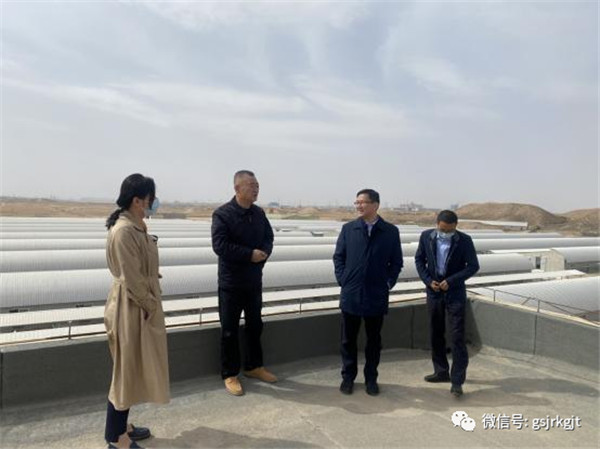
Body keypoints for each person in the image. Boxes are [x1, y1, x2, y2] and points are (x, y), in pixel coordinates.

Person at [104, 173, 170, 449]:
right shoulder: (124, 232)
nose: (153, 203)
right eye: (150, 199)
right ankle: (116, 438)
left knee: (132, 370)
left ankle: (122, 426)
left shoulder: (137, 226)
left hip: (139, 305)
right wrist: (150, 306)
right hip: (132, 307)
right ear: (137, 201)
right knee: (126, 372)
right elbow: (132, 278)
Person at [211, 170, 277, 396]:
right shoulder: (222, 214)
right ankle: (230, 373)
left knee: (255, 325)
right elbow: (220, 246)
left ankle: (253, 366)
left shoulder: (258, 213)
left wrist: (264, 253)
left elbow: (269, 237)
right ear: (237, 188)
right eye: (251, 185)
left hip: (253, 281)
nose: (256, 189)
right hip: (231, 283)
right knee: (229, 330)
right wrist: (250, 255)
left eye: (257, 185)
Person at [333, 189, 403, 396]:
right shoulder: (349, 229)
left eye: (362, 202)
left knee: (374, 341)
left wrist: (388, 283)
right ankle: (348, 377)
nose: (358, 206)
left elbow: (396, 262)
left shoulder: (390, 231)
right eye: (356, 203)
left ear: (375, 205)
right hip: (351, 293)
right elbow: (339, 257)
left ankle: (371, 379)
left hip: (376, 294)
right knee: (348, 340)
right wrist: (343, 280)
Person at [414, 210, 480, 397]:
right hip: (434, 292)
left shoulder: (464, 240)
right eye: (443, 230)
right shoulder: (426, 237)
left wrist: (451, 281)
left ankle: (457, 380)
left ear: (456, 227)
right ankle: (441, 371)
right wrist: (429, 281)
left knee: (457, 336)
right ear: (437, 224)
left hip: (454, 293)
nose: (446, 233)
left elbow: (473, 266)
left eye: (450, 230)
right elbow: (419, 260)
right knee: (436, 332)